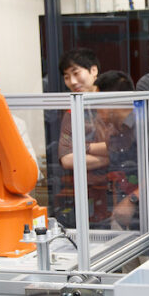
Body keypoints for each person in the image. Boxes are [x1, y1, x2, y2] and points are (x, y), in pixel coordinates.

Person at [94, 70, 149, 249]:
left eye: (97, 102)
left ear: (112, 102)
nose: (95, 108)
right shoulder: (115, 133)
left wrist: (131, 201)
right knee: (126, 276)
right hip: (124, 223)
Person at [57, 48, 110, 227]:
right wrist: (109, 155)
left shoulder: (114, 103)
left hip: (117, 190)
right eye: (66, 76)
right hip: (83, 192)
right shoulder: (71, 112)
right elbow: (66, 159)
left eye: (76, 73)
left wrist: (80, 148)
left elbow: (127, 147)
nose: (72, 81)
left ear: (93, 71)